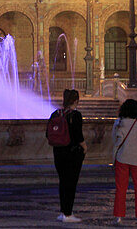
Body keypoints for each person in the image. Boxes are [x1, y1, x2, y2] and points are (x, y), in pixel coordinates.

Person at [49, 88, 86, 223]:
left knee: (63, 182)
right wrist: (84, 147)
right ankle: (68, 213)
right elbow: (78, 135)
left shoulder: (55, 114)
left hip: (58, 152)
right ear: (76, 101)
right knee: (71, 183)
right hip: (72, 153)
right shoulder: (76, 115)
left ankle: (63, 212)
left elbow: (48, 134)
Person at [112, 98, 137, 224]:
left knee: (120, 189)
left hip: (122, 158)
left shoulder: (119, 122)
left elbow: (114, 140)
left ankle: (118, 216)